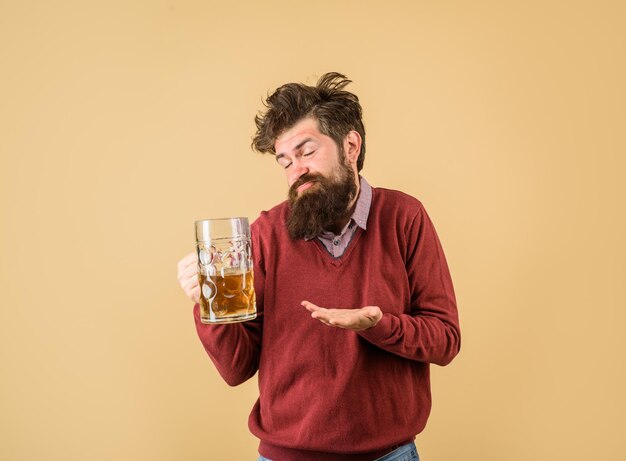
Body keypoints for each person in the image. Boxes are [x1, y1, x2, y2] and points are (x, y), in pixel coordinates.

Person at [177, 72, 461, 461]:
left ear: (350, 145)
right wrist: (207, 305)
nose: (296, 171)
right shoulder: (265, 234)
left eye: (307, 152)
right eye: (285, 161)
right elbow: (236, 368)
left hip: (389, 456)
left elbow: (445, 340)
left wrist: (378, 325)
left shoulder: (404, 217)